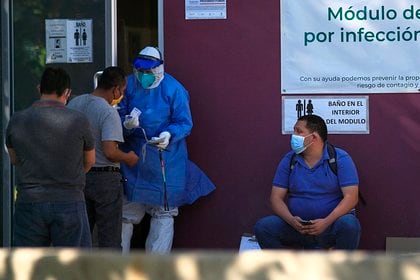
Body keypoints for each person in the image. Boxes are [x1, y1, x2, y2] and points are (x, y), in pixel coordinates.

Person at [119, 46, 215, 254]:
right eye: (140, 72)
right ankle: (116, 269)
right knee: (125, 215)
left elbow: (184, 122)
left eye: (148, 72)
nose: (143, 76)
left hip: (166, 159)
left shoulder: (174, 89)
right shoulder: (127, 85)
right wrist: (125, 124)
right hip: (133, 158)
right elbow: (115, 115)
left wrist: (169, 134)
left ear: (159, 70)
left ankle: (157, 272)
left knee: (163, 214)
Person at [6, 67, 95, 247]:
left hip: (29, 201)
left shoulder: (17, 119)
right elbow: (89, 161)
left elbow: (14, 159)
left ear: (39, 89)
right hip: (69, 200)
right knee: (73, 268)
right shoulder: (79, 120)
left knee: (27, 268)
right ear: (67, 92)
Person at [254, 114, 361, 250]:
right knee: (264, 227)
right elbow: (275, 198)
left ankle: (341, 270)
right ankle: (285, 269)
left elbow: (351, 198)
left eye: (299, 131)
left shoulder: (340, 158)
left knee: (349, 224)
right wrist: (292, 221)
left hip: (329, 226)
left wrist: (325, 223)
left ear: (314, 137)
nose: (294, 135)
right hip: (297, 229)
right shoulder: (289, 160)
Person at [67, 66, 139, 249]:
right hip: (105, 180)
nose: (121, 95)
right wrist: (128, 157)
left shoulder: (75, 104)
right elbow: (110, 151)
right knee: (110, 240)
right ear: (115, 89)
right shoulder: (108, 112)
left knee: (81, 236)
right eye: (121, 91)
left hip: (78, 177)